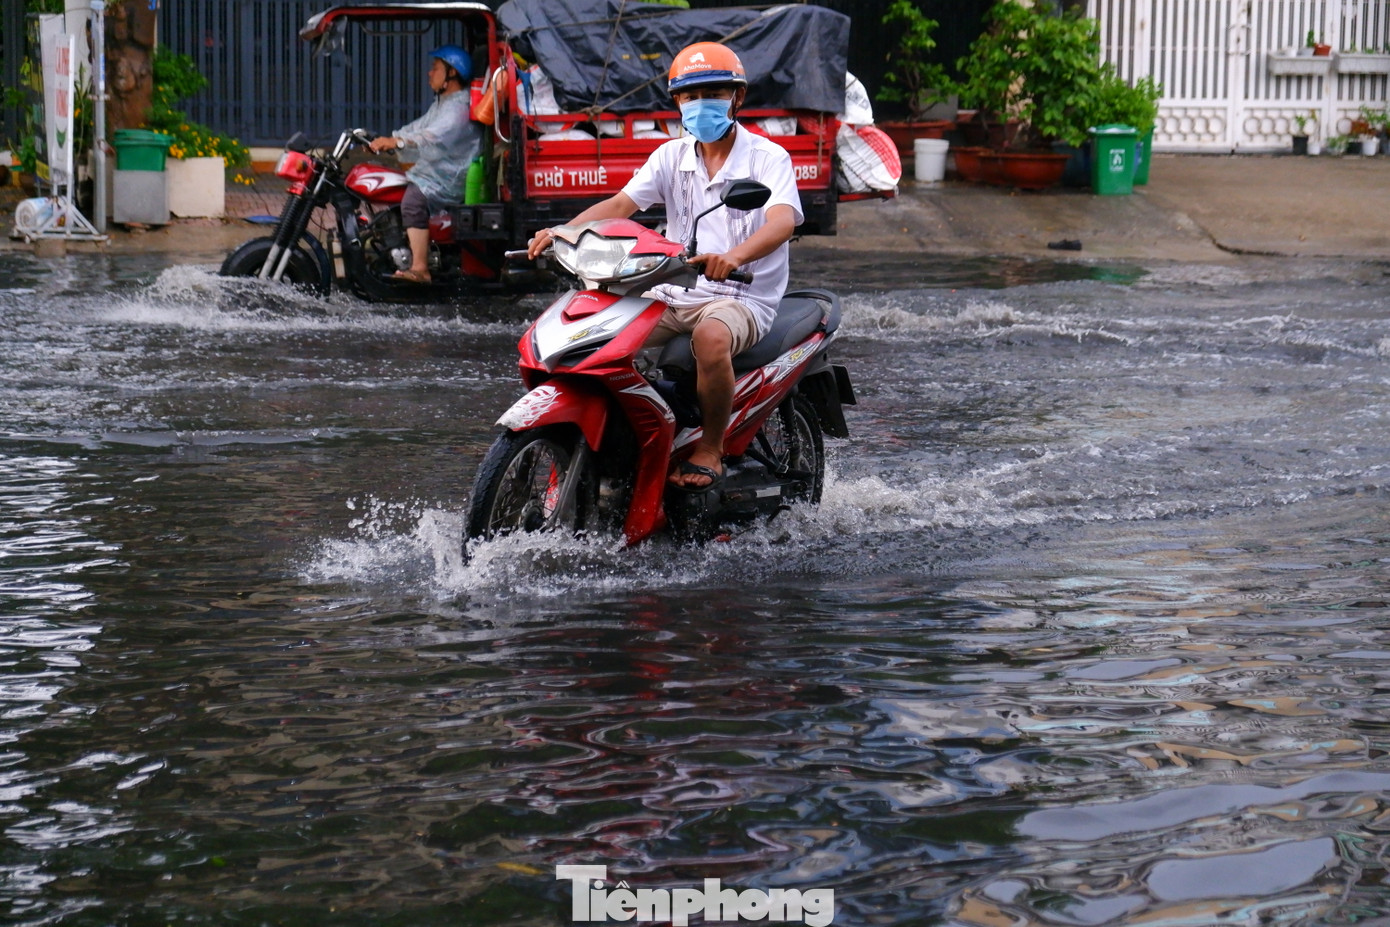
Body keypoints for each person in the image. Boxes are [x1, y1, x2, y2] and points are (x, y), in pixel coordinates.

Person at [527, 42, 803, 490]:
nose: (700, 104)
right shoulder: (669, 157)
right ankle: (625, 434)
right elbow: (621, 204)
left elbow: (782, 221)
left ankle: (710, 447)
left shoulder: (767, 158)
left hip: (741, 295)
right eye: (690, 96)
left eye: (713, 93)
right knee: (593, 338)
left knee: (710, 338)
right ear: (676, 102)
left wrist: (733, 256)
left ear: (737, 98)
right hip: (673, 288)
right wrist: (563, 231)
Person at [369, 45, 481, 284]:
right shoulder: (444, 102)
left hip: (449, 178)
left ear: (452, 73)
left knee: (413, 201)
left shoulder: (458, 108)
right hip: (438, 172)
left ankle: (420, 269)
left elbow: (431, 136)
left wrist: (397, 142)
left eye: (435, 68)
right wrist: (388, 138)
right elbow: (418, 127)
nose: (430, 73)